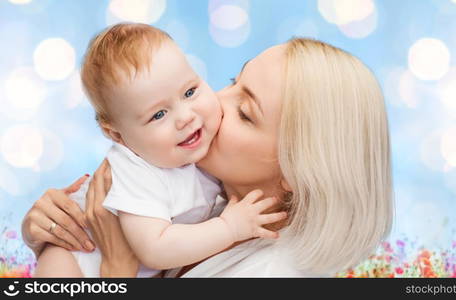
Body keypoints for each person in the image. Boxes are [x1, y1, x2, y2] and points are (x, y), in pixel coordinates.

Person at [22, 37, 394, 277]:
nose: (214, 102)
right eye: (233, 81)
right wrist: (55, 229)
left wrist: (117, 269)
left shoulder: (270, 273)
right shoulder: (207, 195)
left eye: (245, 113)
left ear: (298, 170)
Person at [30, 23, 286, 277]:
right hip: (75, 257)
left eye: (189, 91)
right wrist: (229, 227)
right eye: (159, 114)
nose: (185, 117)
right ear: (118, 135)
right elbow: (156, 248)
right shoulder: (136, 172)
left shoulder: (197, 157)